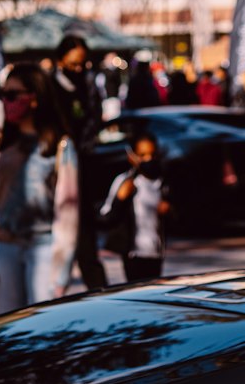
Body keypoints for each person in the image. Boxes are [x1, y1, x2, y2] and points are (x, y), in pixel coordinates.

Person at [0, 62, 79, 312]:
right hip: (5, 247)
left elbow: (68, 212)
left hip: (43, 247)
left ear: (34, 98)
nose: (6, 102)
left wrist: (61, 270)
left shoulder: (60, 146)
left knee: (41, 325)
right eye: (4, 95)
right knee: (10, 327)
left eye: (12, 95)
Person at [53, 34, 107, 291]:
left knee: (86, 243)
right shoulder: (50, 88)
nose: (78, 69)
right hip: (57, 174)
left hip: (82, 172)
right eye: (72, 64)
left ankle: (100, 294)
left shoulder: (88, 87)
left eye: (82, 64)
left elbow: (94, 121)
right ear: (60, 60)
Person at [99, 129, 170, 283]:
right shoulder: (125, 181)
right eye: (143, 155)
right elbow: (106, 219)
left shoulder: (162, 182)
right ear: (131, 156)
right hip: (133, 255)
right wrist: (120, 198)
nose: (148, 159)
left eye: (152, 154)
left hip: (156, 254)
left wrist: (168, 211)